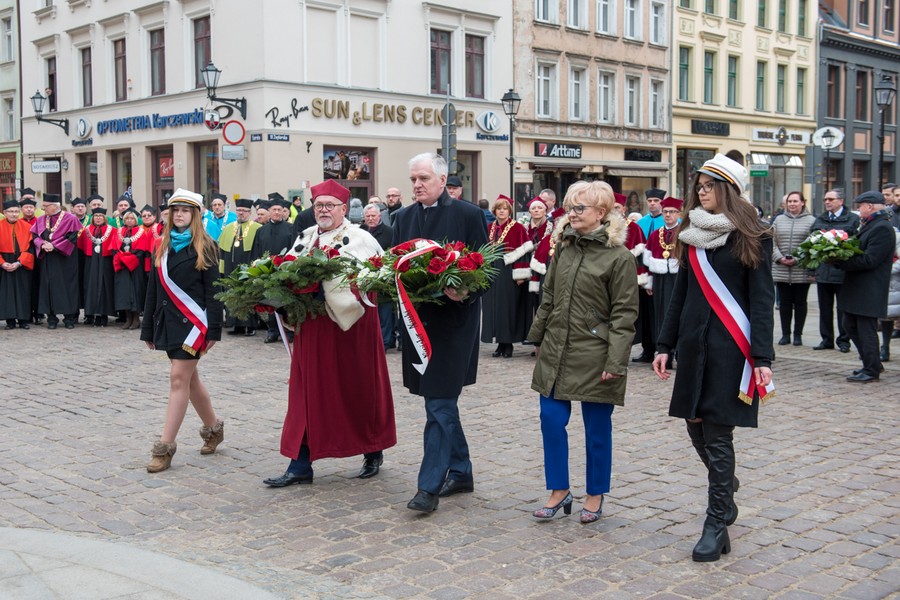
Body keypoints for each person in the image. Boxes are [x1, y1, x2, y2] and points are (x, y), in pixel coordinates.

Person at [652, 153, 774, 562]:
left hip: (730, 349)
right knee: (694, 426)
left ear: (727, 190)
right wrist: (664, 345)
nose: (700, 192)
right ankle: (726, 489)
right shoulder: (690, 233)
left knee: (719, 434)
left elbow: (761, 300)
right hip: (691, 345)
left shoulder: (752, 234)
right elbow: (680, 295)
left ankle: (716, 523)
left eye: (708, 186)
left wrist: (761, 357)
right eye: (698, 187)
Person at [263, 179, 396, 487]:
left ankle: (372, 449)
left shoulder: (360, 238)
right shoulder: (306, 237)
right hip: (312, 329)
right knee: (305, 392)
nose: (323, 211)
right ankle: (300, 463)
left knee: (358, 389)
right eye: (319, 205)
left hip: (350, 332)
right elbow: (287, 274)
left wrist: (333, 290)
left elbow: (374, 281)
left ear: (343, 209)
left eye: (330, 206)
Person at [528, 180, 638, 523]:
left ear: (601, 213)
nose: (571, 214)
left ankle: (595, 493)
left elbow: (624, 314)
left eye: (580, 208)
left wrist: (616, 361)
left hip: (596, 353)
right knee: (551, 420)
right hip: (557, 348)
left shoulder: (619, 258)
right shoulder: (563, 248)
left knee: (596, 428)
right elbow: (549, 295)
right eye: (569, 207)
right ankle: (559, 490)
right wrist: (537, 336)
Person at [391, 152, 488, 513]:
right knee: (439, 404)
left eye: (424, 179)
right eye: (413, 179)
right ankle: (461, 471)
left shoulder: (468, 215)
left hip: (454, 328)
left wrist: (466, 290)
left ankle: (427, 487)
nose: (417, 185)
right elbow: (394, 268)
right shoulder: (402, 218)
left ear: (443, 181)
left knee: (440, 404)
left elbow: (488, 271)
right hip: (418, 326)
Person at [141, 188, 224, 473]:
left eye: (185, 210)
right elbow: (153, 289)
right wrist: (147, 327)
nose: (179, 215)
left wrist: (214, 329)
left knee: (178, 378)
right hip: (168, 321)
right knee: (191, 381)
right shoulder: (161, 245)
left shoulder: (207, 246)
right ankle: (213, 428)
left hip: (194, 326)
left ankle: (164, 448)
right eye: (175, 210)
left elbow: (214, 292)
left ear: (195, 215)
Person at [833, 191, 895, 382]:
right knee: (849, 325)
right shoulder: (872, 225)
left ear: (869, 206)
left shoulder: (882, 228)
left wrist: (841, 260)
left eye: (860, 206)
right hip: (859, 288)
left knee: (866, 329)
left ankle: (871, 369)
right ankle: (872, 362)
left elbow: (870, 260)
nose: (858, 210)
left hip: (870, 288)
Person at [481, 195, 533, 358]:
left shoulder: (517, 227)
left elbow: (524, 252)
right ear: (494, 210)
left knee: (507, 308)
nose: (502, 211)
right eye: (499, 209)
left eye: (505, 209)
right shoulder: (490, 227)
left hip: (509, 270)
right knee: (494, 308)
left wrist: (520, 274)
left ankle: (508, 343)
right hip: (492, 270)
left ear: (509, 211)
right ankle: (499, 343)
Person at [809, 189, 859, 352]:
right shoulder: (820, 219)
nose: (827, 202)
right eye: (825, 199)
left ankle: (844, 340)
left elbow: (855, 242)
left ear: (841, 201)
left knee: (842, 309)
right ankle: (826, 339)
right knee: (824, 308)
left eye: (830, 199)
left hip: (842, 272)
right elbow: (812, 241)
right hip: (824, 271)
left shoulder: (852, 219)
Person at [31, 193, 82, 329]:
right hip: (47, 259)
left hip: (65, 259)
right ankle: (51, 318)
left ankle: (69, 318)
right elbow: (35, 235)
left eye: (46, 206)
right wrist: (42, 244)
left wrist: (54, 245)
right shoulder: (41, 219)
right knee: (48, 287)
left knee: (67, 287)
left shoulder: (70, 219)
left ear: (54, 206)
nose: (43, 209)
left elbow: (72, 237)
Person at [643, 197, 683, 368]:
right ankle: (663, 351)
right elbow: (647, 259)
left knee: (679, 314)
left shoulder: (683, 233)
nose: (668, 215)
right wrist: (649, 282)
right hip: (659, 279)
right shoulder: (655, 234)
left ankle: (679, 351)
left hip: (678, 278)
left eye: (672, 212)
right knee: (660, 313)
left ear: (678, 214)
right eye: (665, 212)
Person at [772, 191, 816, 346]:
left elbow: (812, 243)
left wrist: (797, 258)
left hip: (800, 269)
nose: (792, 204)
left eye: (795, 201)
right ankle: (785, 334)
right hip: (781, 268)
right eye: (789, 201)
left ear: (802, 203)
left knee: (800, 303)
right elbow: (771, 241)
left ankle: (798, 335)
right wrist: (779, 257)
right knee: (784, 303)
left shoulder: (811, 221)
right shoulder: (779, 220)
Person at [251, 196, 296, 344]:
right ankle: (272, 331)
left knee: (285, 301)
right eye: (274, 210)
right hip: (266, 271)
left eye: (279, 210)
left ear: (284, 212)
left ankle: (289, 330)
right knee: (269, 301)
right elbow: (255, 251)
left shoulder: (291, 229)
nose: (277, 212)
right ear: (269, 212)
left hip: (285, 270)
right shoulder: (261, 231)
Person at [614, 193, 652, 362]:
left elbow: (640, 256)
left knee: (627, 317)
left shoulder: (634, 228)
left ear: (624, 209)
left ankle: (624, 352)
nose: (614, 210)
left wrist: (641, 279)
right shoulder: (603, 226)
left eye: (617, 207)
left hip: (629, 279)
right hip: (607, 279)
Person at [218, 198, 261, 335]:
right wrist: (222, 268)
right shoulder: (229, 228)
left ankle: (251, 326)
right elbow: (222, 250)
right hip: (231, 268)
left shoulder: (257, 228)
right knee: (233, 295)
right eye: (239, 210)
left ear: (249, 213)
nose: (241, 213)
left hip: (249, 267)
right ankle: (236, 326)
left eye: (244, 211)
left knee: (248, 296)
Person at [114, 208, 152, 330]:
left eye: (132, 218)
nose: (129, 221)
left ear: (136, 220)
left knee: (136, 291)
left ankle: (136, 318)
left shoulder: (141, 232)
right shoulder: (120, 232)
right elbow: (115, 247)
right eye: (127, 219)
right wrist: (122, 257)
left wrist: (129, 258)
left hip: (136, 267)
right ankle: (128, 317)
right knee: (124, 292)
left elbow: (141, 250)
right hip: (122, 267)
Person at [78, 207, 117, 327]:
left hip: (106, 262)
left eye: (100, 216)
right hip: (91, 262)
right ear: (92, 217)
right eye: (96, 216)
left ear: (104, 217)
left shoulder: (112, 230)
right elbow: (81, 248)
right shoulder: (86, 231)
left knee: (105, 287)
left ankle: (104, 315)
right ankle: (93, 314)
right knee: (91, 287)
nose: (98, 218)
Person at [0, 199, 35, 330]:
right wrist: (2, 263)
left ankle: (23, 320)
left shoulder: (27, 227)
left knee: (23, 292)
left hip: (21, 263)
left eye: (16, 211)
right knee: (7, 293)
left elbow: (31, 248)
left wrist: (19, 262)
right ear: (4, 213)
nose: (14, 214)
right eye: (11, 212)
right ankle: (10, 321)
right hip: (5, 262)